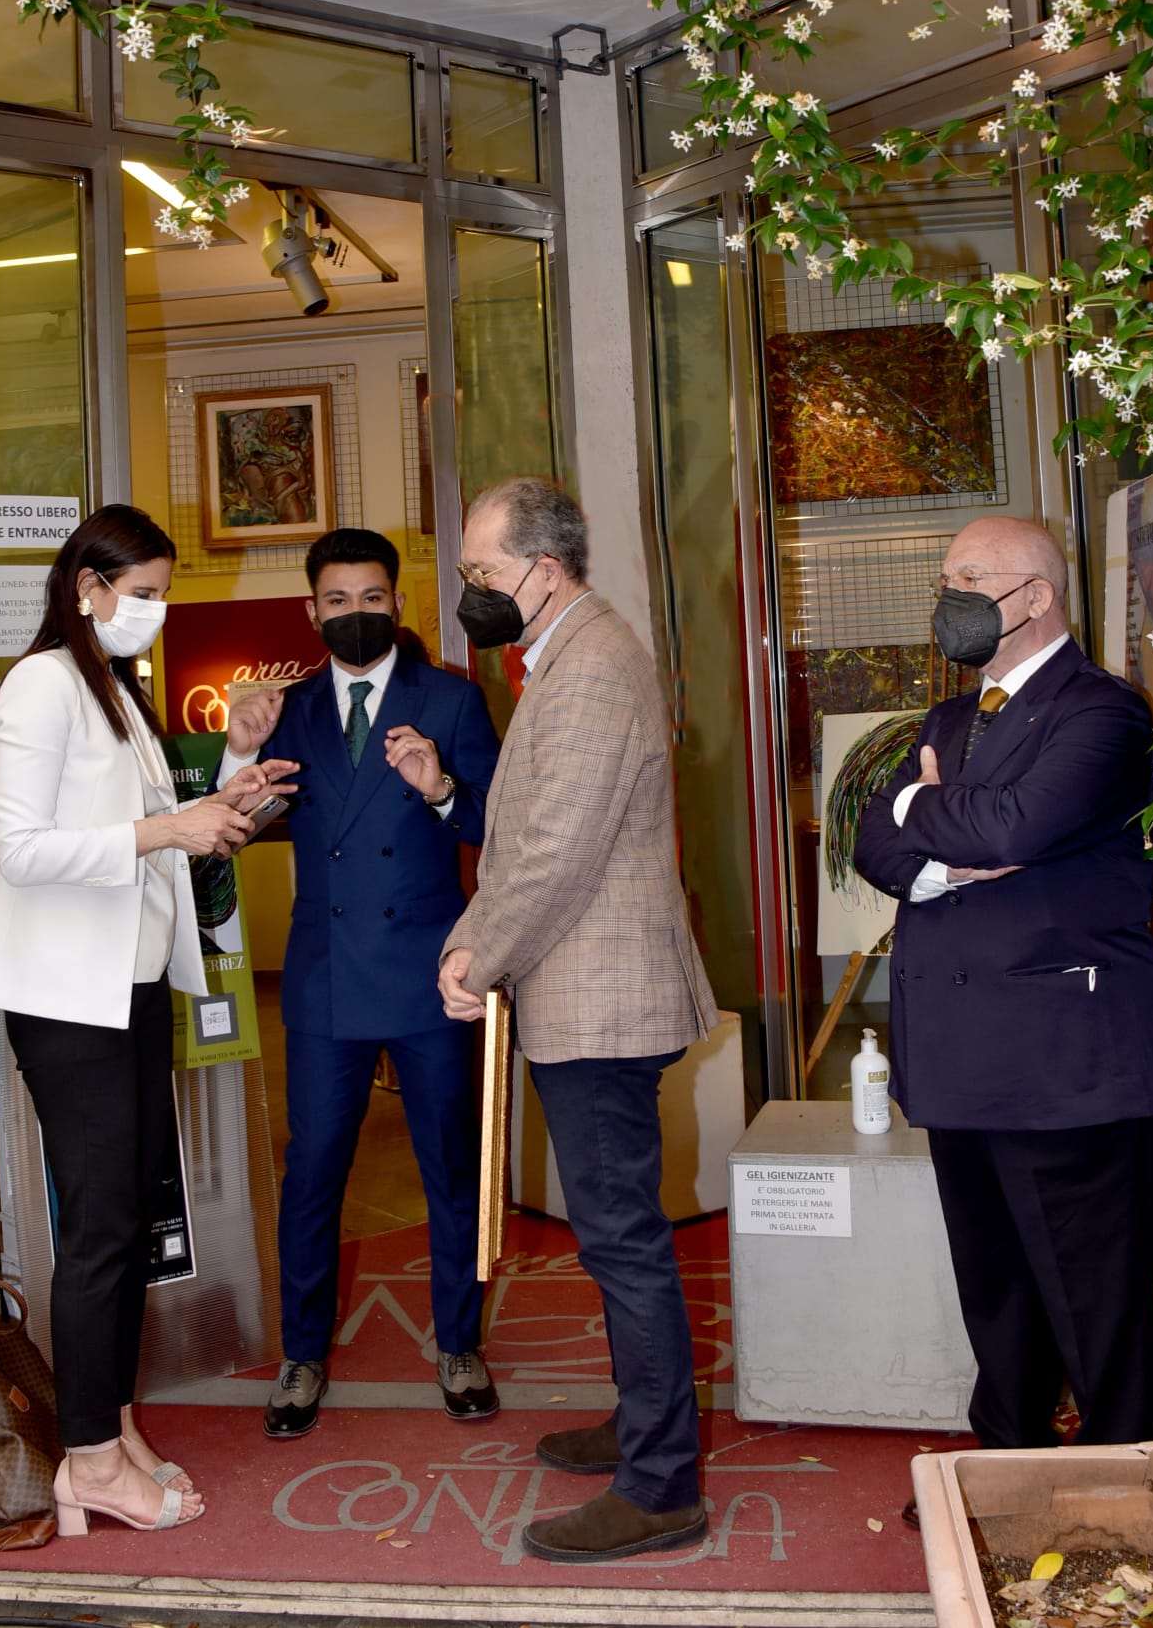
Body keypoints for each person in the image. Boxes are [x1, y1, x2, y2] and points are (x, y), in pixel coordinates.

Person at [0, 504, 296, 1537]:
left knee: (129, 1221)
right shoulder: (41, 683)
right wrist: (166, 827)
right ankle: (89, 1462)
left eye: (163, 593)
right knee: (101, 1230)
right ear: (88, 588)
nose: (155, 610)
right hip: (68, 997)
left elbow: (141, 831)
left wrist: (222, 805)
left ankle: (113, 1426)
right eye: (143, 592)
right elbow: (22, 849)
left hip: (131, 985)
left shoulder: (114, 685)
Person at [853, 515, 1153, 1487]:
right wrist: (940, 856)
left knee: (1093, 1302)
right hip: (958, 1059)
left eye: (970, 580)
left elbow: (1018, 824)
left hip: (1062, 1065)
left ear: (1035, 596)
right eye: (944, 580)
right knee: (994, 1288)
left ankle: (1119, 1490)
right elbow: (874, 841)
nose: (948, 600)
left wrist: (924, 811)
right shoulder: (948, 721)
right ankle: (1008, 1468)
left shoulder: (1103, 712)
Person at [437, 478, 718, 1564]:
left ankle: (660, 1484)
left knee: (623, 1243)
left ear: (544, 570)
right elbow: (528, 839)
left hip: (601, 1004)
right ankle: (643, 1424)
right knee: (616, 1241)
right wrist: (482, 940)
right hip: (582, 995)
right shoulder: (565, 650)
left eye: (483, 572)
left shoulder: (592, 662)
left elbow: (552, 850)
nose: (470, 589)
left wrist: (475, 952)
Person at [216, 527, 501, 1438]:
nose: (354, 614)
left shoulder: (449, 700)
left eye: (370, 598)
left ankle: (458, 1344)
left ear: (396, 603)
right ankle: (302, 1356)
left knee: (449, 1168)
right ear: (312, 612)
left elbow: (495, 824)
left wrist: (439, 787)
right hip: (326, 978)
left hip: (428, 972)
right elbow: (231, 831)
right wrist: (236, 755)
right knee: (311, 1175)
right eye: (336, 601)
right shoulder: (286, 712)